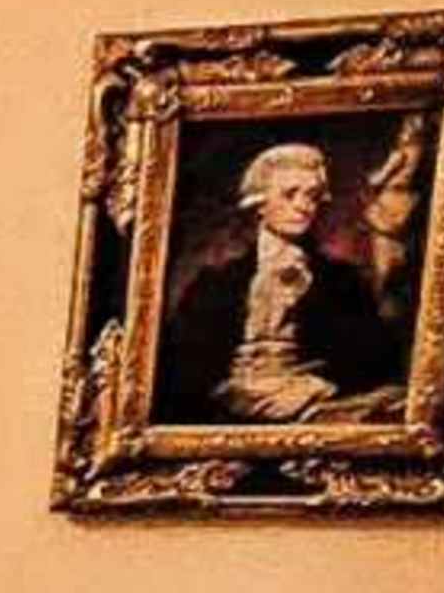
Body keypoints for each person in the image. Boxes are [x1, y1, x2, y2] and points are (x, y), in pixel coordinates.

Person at [153, 139, 408, 425]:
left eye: (312, 196)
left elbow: (378, 356)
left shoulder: (341, 280)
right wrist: (227, 389)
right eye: (290, 194)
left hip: (314, 403)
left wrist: (319, 385)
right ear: (260, 203)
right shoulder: (217, 282)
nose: (303, 206)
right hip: (231, 407)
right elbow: (183, 365)